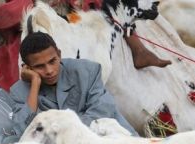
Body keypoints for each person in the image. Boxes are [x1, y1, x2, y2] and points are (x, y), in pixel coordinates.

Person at [9, 31, 138, 136]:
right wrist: (35, 83)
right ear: (27, 68)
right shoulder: (19, 92)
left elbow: (102, 110)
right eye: (39, 66)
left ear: (59, 54)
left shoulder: (87, 71)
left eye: (52, 61)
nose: (49, 70)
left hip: (109, 138)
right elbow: (23, 130)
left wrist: (63, 132)